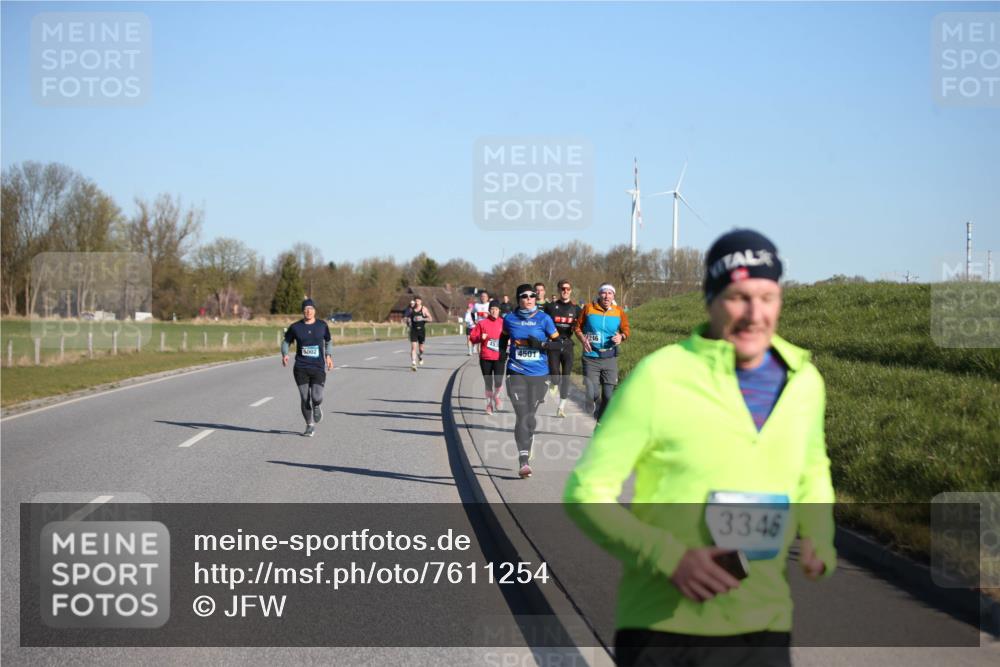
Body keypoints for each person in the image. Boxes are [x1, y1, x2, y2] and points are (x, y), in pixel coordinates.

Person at [563, 229, 836, 667]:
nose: (754, 314)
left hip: (763, 624)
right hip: (665, 628)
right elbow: (585, 493)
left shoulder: (804, 381)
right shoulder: (660, 377)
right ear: (710, 300)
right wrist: (668, 558)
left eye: (767, 297)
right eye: (737, 297)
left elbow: (812, 468)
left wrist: (820, 535)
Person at [500, 284, 563, 478]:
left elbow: (560, 345)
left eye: (532, 296)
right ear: (518, 299)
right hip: (516, 371)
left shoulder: (544, 319)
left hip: (539, 374)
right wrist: (502, 355)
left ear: (536, 298)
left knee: (530, 416)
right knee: (522, 414)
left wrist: (542, 345)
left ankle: (529, 438)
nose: (529, 299)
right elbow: (503, 340)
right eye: (524, 296)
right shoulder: (509, 319)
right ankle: (523, 461)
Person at [574, 283, 630, 422]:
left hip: (610, 357)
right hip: (591, 356)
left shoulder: (619, 312)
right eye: (604, 293)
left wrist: (621, 337)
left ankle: (600, 420)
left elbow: (626, 330)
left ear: (613, 296)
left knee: (609, 396)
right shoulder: (589, 309)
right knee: (593, 392)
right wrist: (583, 339)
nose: (606, 296)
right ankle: (590, 400)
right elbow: (577, 328)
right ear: (599, 294)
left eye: (610, 293)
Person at [282, 298, 334, 437]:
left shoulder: (322, 325)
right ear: (303, 311)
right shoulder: (295, 327)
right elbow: (286, 342)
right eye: (305, 309)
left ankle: (317, 405)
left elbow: (328, 341)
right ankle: (309, 425)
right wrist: (285, 354)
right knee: (305, 398)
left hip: (317, 367)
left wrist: (329, 356)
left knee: (316, 396)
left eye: (310, 309)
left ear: (314, 310)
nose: (308, 311)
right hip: (301, 367)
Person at [543, 279, 581, 417]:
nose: (565, 291)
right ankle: (553, 382)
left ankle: (561, 407)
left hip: (568, 344)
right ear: (559, 291)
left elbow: (584, 324)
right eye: (563, 289)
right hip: (553, 344)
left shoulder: (576, 309)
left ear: (571, 291)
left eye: (568, 289)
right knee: (555, 375)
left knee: (566, 376)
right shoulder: (551, 307)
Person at [469, 299, 506, 415]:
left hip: (500, 356)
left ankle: (497, 396)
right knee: (488, 382)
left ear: (499, 310)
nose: (494, 311)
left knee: (499, 381)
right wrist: (481, 337)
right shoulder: (482, 323)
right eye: (492, 309)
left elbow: (512, 336)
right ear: (489, 310)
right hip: (486, 357)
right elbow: (472, 338)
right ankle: (489, 405)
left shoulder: (504, 323)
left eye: (496, 309)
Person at [404, 296, 432, 371]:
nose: (417, 302)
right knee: (413, 347)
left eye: (418, 301)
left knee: (421, 349)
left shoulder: (424, 309)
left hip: (421, 331)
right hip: (413, 330)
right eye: (416, 301)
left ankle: (420, 355)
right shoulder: (411, 310)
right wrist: (407, 320)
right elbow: (406, 318)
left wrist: (422, 318)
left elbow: (430, 319)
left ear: (421, 301)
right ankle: (413, 364)